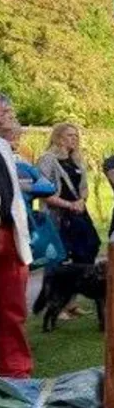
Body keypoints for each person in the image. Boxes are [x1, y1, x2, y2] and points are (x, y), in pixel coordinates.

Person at [0, 93, 33, 378]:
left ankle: (15, 371)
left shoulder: (4, 148)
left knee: (12, 306)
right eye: (5, 111)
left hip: (8, 233)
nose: (10, 115)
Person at [37, 123, 101, 265]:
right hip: (58, 215)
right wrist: (69, 204)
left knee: (90, 246)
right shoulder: (47, 159)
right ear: (58, 138)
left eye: (76, 135)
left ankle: (83, 283)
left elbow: (84, 188)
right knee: (62, 254)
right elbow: (43, 191)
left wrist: (81, 201)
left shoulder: (77, 160)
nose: (74, 139)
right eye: (70, 135)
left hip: (78, 212)